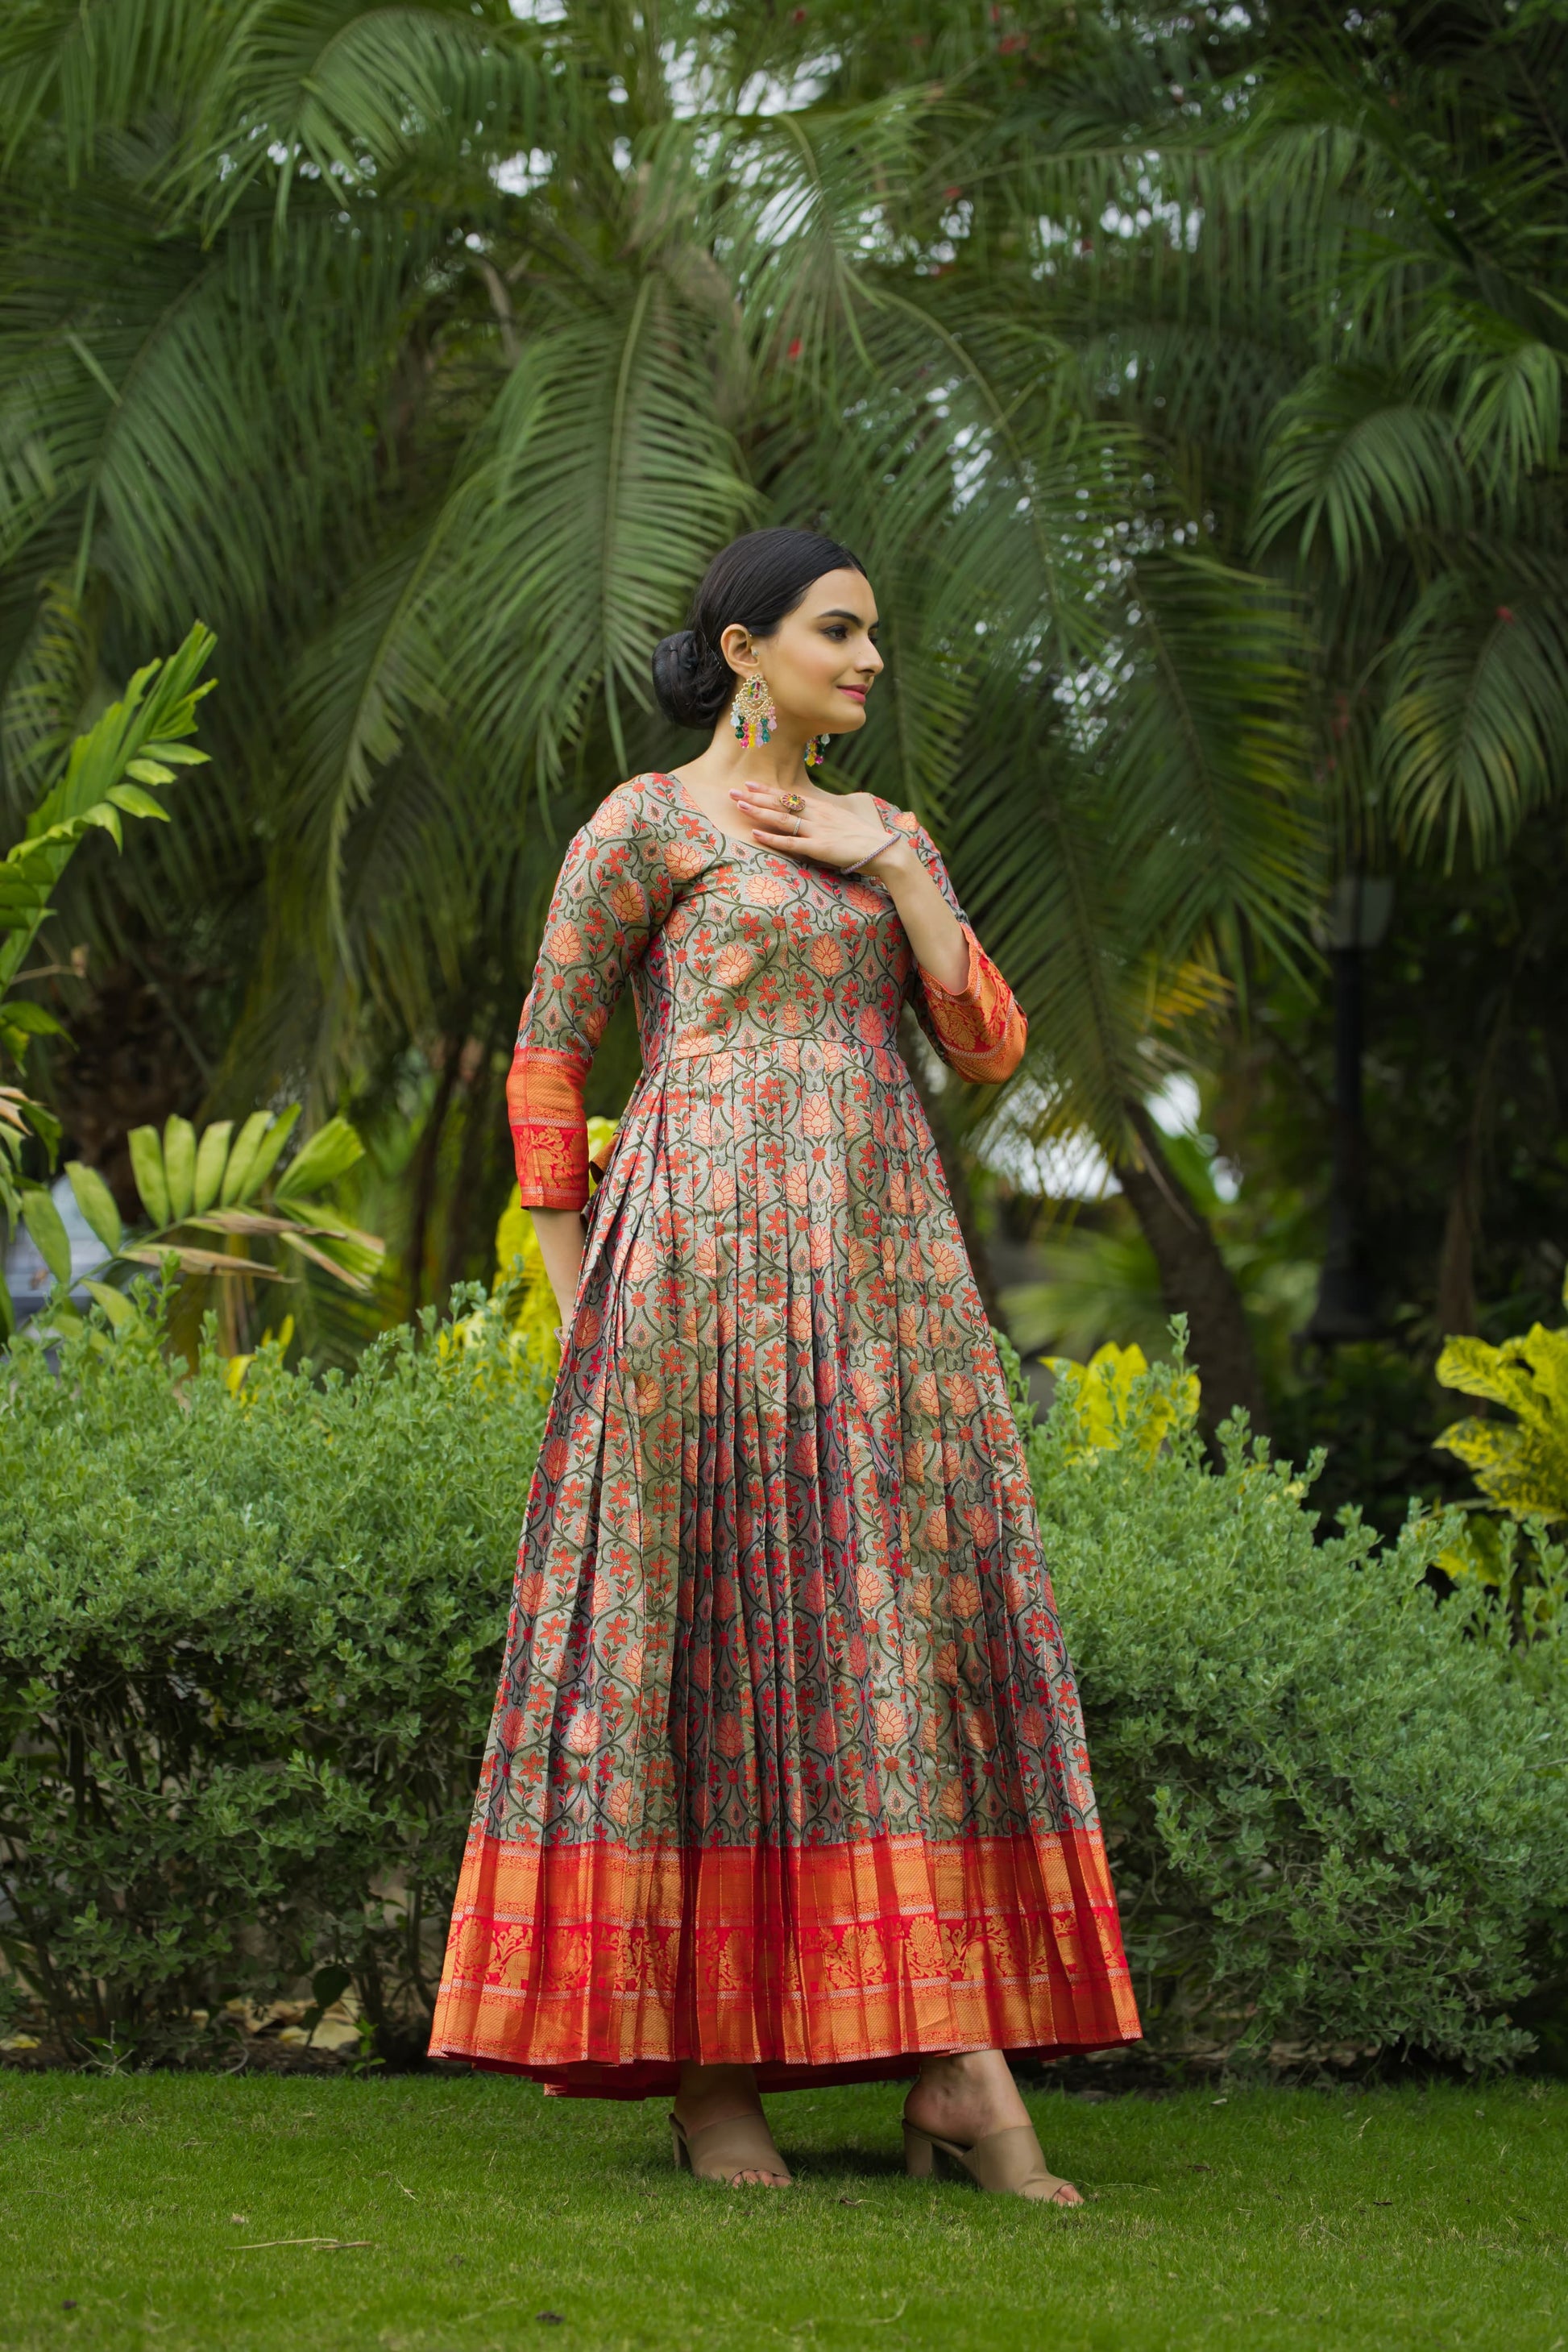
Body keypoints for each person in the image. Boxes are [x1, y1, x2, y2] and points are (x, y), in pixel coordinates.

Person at [429, 529, 1139, 2197]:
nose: (868, 657)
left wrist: (896, 868)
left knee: (892, 1625)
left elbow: (987, 1043)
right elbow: (547, 1062)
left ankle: (955, 2063)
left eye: (873, 633)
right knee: (707, 1630)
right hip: (692, 1273)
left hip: (882, 1276)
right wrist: (580, 1301)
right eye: (839, 630)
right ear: (745, 649)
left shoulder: (887, 829)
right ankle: (711, 2074)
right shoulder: (643, 826)